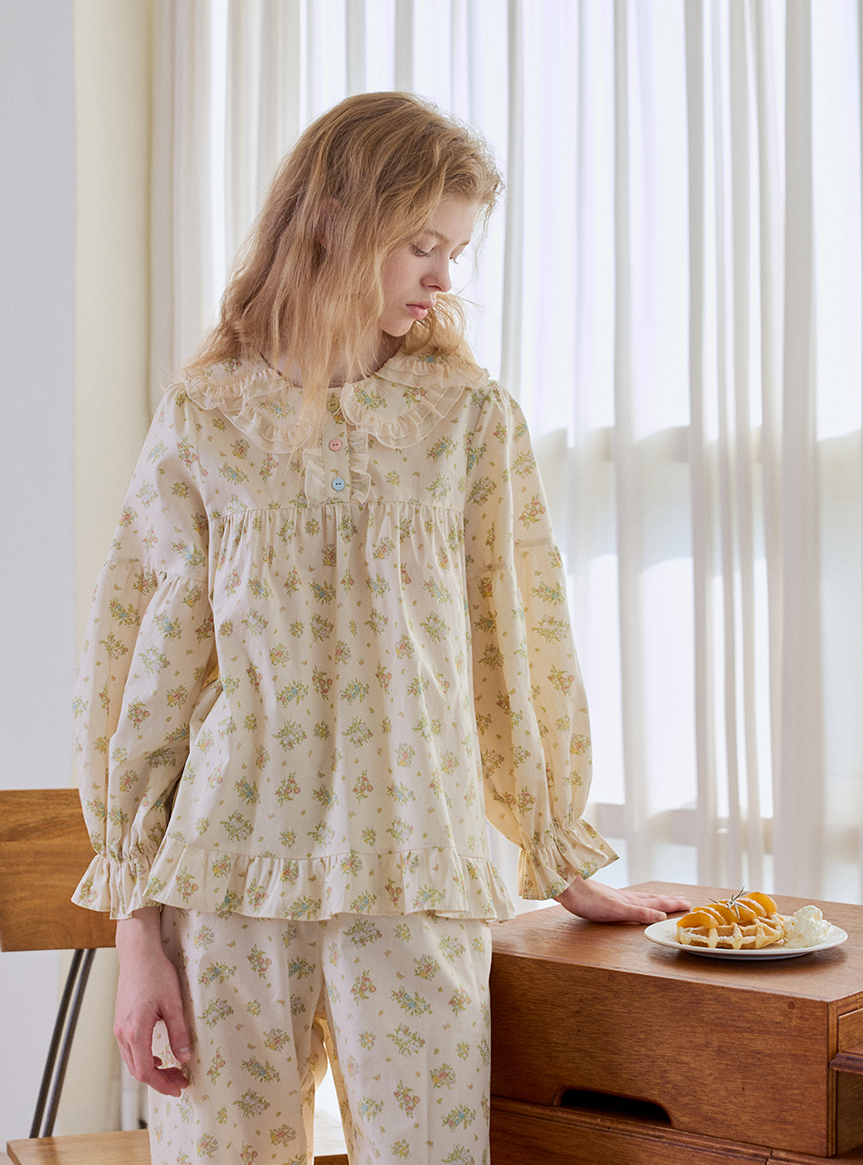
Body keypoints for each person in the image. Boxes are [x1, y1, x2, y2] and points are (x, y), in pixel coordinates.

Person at [72, 92, 687, 1165]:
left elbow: (516, 638)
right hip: (229, 879)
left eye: (455, 251)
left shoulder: (468, 417)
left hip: (416, 871)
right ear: (332, 218)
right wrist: (137, 936)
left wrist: (557, 852)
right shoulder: (207, 414)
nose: (444, 278)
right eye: (422, 245)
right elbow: (143, 664)